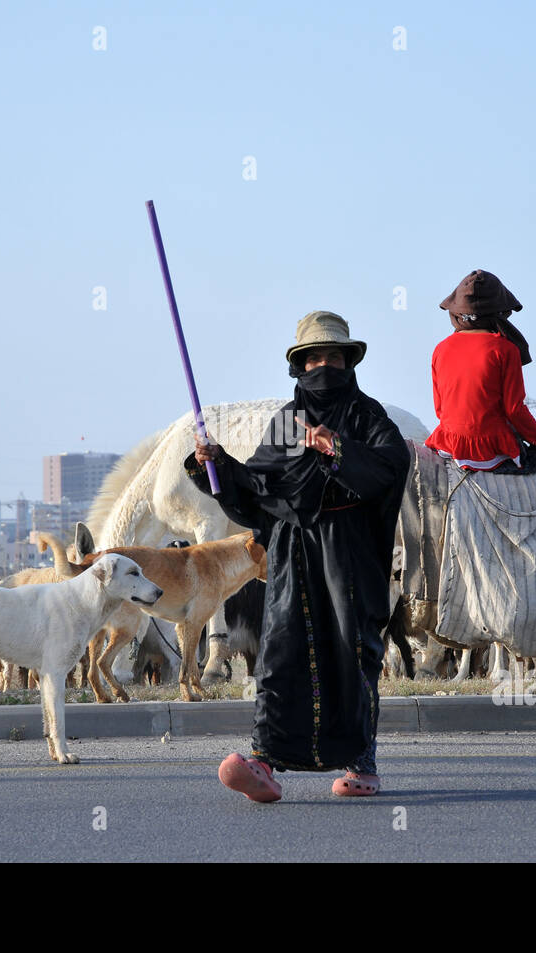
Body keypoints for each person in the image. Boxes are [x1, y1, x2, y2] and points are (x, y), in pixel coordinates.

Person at [185, 311, 410, 802]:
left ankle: (362, 764)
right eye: (313, 359)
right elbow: (261, 487)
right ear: (299, 366)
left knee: (354, 651)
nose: (323, 366)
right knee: (282, 651)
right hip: (291, 552)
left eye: (333, 357)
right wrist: (216, 467)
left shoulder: (366, 416)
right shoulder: (288, 422)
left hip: (348, 551)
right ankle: (263, 763)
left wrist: (337, 449)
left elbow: (391, 468)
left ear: (348, 362)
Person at [426, 270, 536, 470]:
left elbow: (440, 410)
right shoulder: (506, 350)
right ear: (500, 314)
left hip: (447, 443)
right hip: (488, 449)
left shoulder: (440, 348)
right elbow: (514, 410)